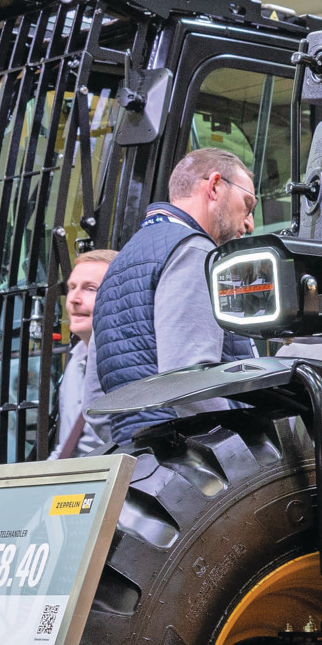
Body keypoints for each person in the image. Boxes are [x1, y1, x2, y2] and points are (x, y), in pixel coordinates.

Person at [94, 149, 259, 448]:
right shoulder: (193, 250)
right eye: (247, 205)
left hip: (137, 455)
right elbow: (188, 379)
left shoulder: (121, 262)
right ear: (214, 186)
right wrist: (233, 444)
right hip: (189, 455)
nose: (250, 224)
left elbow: (94, 400)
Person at [54, 248, 116, 457]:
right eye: (72, 287)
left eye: (90, 289)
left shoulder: (128, 361)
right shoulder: (76, 358)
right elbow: (68, 447)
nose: (73, 299)